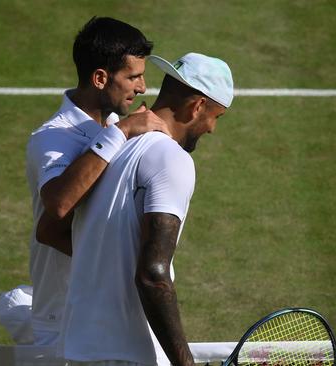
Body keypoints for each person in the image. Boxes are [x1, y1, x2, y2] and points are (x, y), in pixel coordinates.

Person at [56, 53, 234, 366]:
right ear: (197, 107)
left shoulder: (113, 143)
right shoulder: (172, 159)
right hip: (130, 355)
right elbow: (154, 274)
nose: (212, 129)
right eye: (216, 117)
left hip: (82, 349)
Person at [24, 16, 169, 347]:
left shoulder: (116, 123)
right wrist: (122, 133)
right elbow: (59, 204)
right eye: (133, 76)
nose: (143, 87)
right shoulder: (52, 138)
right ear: (101, 78)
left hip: (106, 312)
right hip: (62, 322)